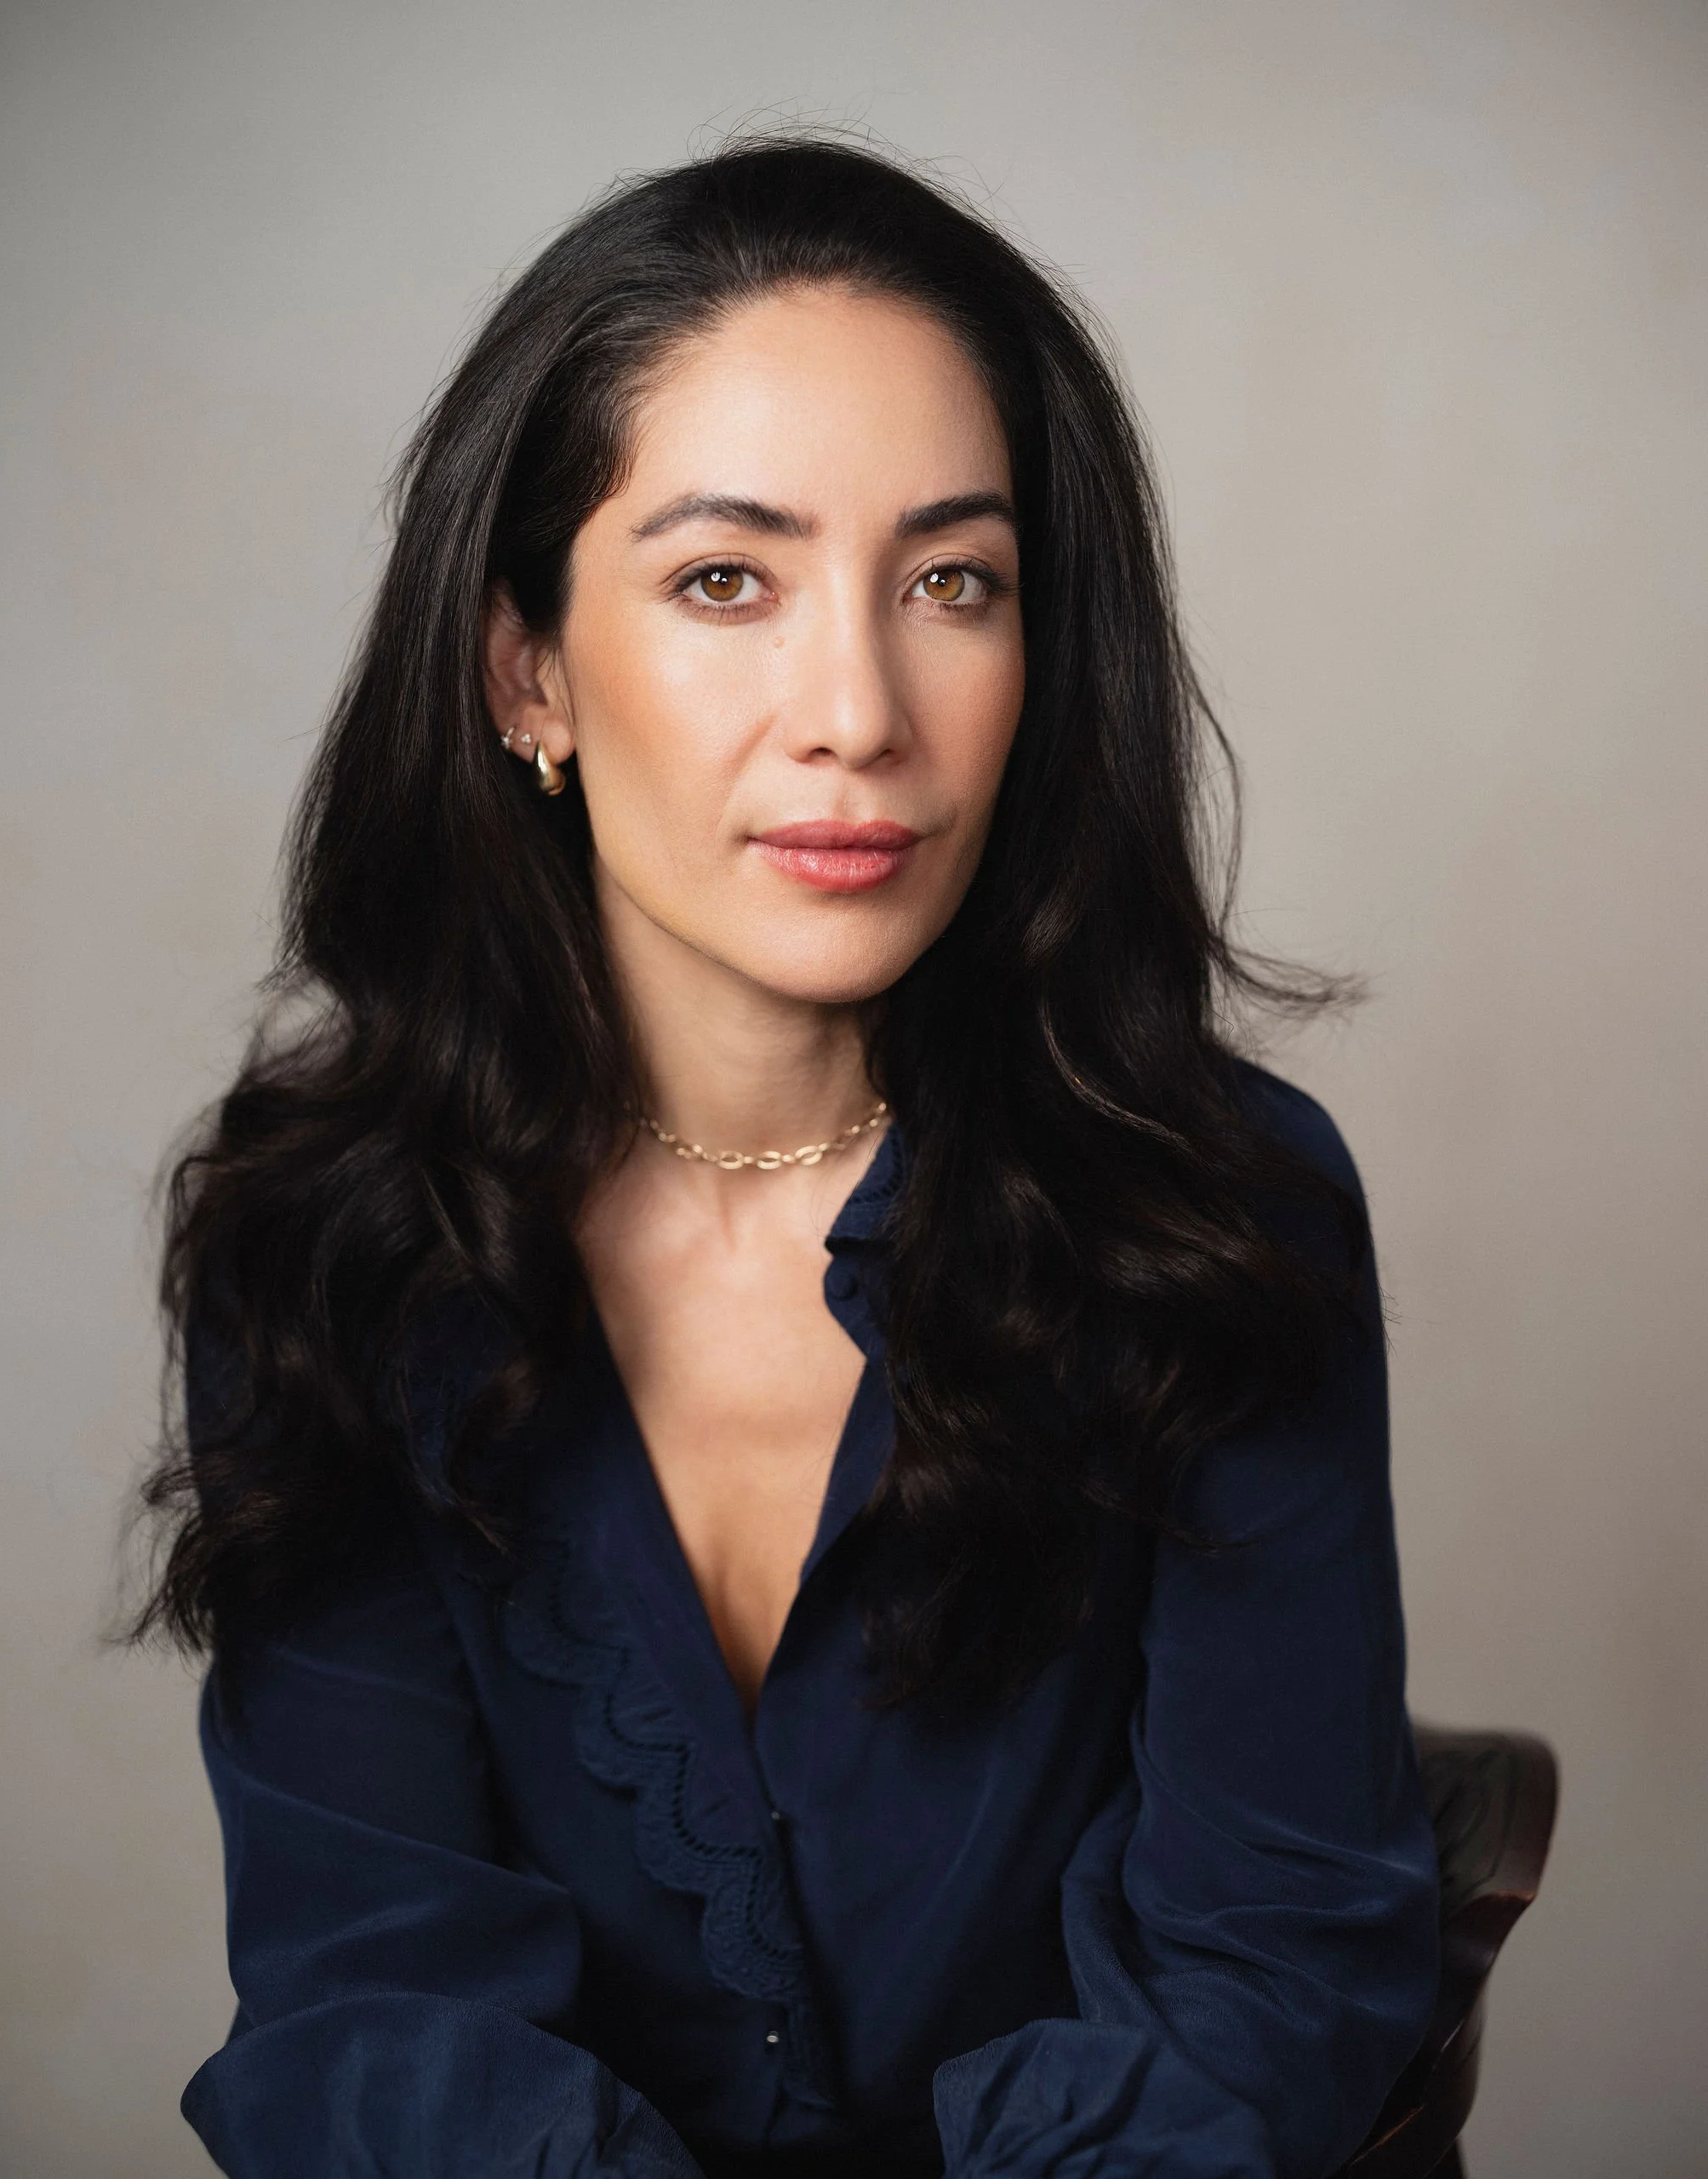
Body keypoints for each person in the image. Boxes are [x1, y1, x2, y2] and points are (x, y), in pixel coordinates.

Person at [137, 135, 1441, 2179]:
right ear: (528, 672)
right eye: (724, 578)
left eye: (952, 582)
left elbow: (1270, 1971)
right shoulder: (331, 1240)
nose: (859, 706)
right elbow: (374, 1993)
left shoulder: (1217, 1209)